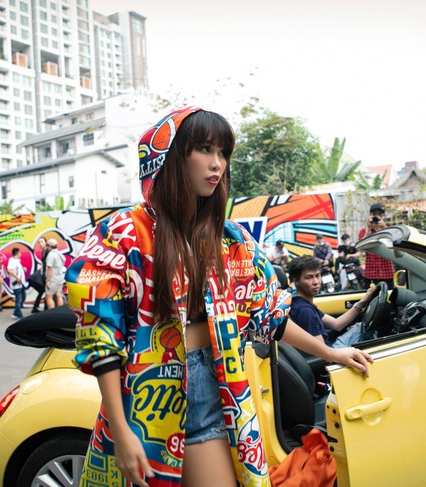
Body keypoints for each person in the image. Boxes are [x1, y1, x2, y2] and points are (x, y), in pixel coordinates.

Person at [66, 107, 373, 487]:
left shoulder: (230, 239)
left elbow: (268, 314)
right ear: (171, 157)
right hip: (146, 399)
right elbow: (100, 337)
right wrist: (120, 427)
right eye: (205, 149)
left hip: (216, 387)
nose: (217, 164)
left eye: (223, 153)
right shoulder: (124, 232)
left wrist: (330, 353)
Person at [289, 256, 379, 347]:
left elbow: (337, 324)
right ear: (296, 281)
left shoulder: (301, 303)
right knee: (368, 329)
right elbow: (322, 351)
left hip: (329, 349)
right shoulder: (305, 310)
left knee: (361, 327)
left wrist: (362, 302)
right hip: (331, 351)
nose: (315, 282)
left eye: (317, 276)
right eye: (309, 278)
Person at [358, 203, 395, 288]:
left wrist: (384, 228)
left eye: (379, 214)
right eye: (374, 214)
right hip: (370, 274)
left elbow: (394, 245)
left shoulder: (389, 230)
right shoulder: (364, 232)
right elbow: (361, 249)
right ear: (370, 215)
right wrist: (368, 230)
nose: (376, 217)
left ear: (383, 216)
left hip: (387, 273)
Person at [6, 247, 27, 319]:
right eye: (20, 252)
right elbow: (9, 270)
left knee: (22, 298)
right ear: (17, 253)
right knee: (19, 299)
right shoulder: (12, 261)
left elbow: (17, 270)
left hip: (21, 283)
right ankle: (19, 315)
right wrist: (16, 277)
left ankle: (15, 313)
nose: (21, 254)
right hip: (16, 284)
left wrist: (23, 269)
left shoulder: (17, 261)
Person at [45, 238, 65, 309]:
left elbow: (49, 268)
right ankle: (60, 311)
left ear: (49, 246)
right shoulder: (59, 254)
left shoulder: (51, 255)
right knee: (58, 295)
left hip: (53, 279)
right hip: (60, 278)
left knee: (49, 296)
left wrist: (47, 280)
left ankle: (52, 313)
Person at [31, 236, 49, 313]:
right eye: (39, 242)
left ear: (46, 242)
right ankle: (39, 308)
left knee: (45, 291)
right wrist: (41, 272)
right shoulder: (44, 251)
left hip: (47, 273)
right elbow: (42, 262)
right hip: (44, 274)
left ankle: (40, 308)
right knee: (44, 291)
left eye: (41, 242)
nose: (40, 244)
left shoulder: (48, 251)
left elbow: (48, 264)